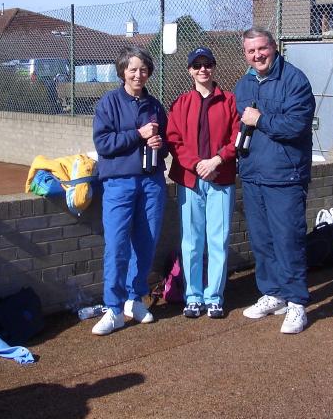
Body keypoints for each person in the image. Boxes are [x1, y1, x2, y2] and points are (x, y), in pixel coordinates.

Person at [234, 28, 315, 334]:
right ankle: (273, 293)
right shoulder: (244, 84)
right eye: (251, 51)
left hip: (285, 176)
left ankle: (296, 303)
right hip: (253, 175)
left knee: (288, 240)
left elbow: (296, 125)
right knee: (262, 240)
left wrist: (261, 120)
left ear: (274, 47)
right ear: (245, 54)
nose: (258, 55)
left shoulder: (295, 80)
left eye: (262, 49)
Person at [91, 46, 168, 335]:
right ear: (122, 70)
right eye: (133, 69)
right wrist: (138, 135)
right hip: (119, 183)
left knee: (146, 243)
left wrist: (160, 146)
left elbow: (166, 143)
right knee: (117, 245)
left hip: (151, 182)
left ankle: (135, 299)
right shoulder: (108, 103)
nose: (138, 74)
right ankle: (113, 308)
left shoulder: (155, 105)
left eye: (144, 69)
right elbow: (104, 144)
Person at [167, 47, 240, 319]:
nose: (202, 70)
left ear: (214, 67)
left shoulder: (230, 101)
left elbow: (237, 137)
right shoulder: (181, 103)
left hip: (220, 178)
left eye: (207, 64)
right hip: (190, 180)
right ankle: (193, 296)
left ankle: (214, 297)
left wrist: (217, 161)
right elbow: (174, 140)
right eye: (196, 65)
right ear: (189, 70)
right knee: (192, 241)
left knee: (217, 240)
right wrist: (197, 164)